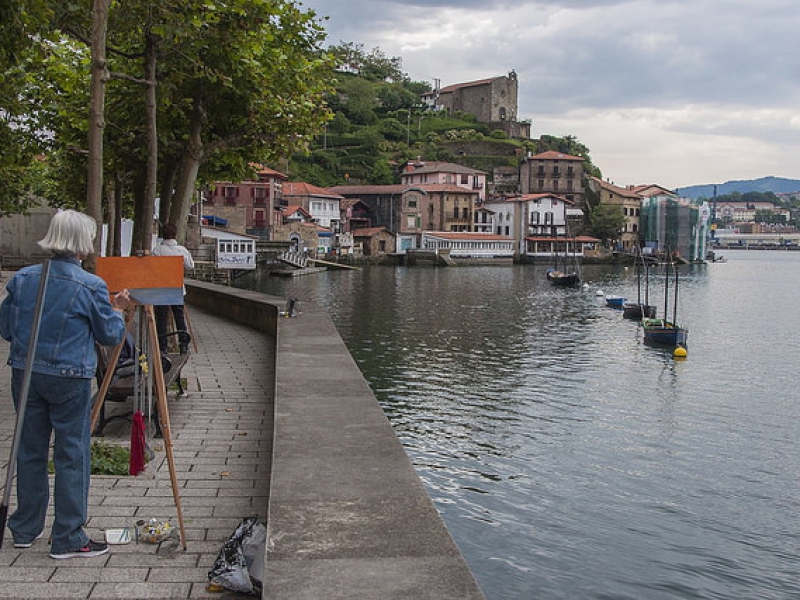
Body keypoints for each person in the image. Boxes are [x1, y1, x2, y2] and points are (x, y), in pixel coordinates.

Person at [0, 209, 131, 558]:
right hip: (70, 376)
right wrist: (117, 309)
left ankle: (25, 528)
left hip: (26, 372)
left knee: (29, 449)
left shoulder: (24, 278)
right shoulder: (90, 285)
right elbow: (110, 334)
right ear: (80, 243)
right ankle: (69, 536)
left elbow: (6, 329)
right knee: (71, 453)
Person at [150, 223, 194, 354]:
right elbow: (190, 266)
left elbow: (151, 268)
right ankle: (183, 344)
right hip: (177, 287)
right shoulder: (181, 250)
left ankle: (162, 347)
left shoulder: (157, 250)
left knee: (161, 318)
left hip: (161, 288)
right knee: (179, 317)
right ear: (175, 234)